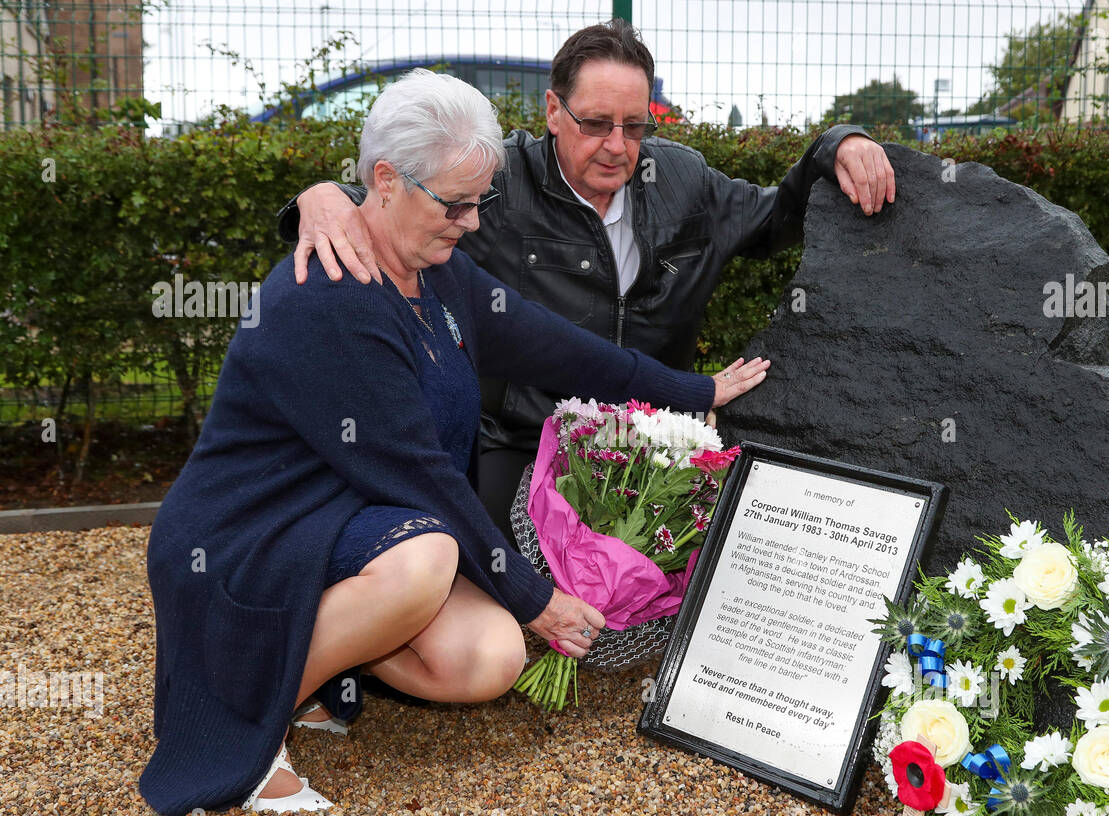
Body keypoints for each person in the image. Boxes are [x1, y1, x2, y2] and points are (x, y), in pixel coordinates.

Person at [140, 69, 767, 816]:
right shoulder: (333, 299)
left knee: (489, 658)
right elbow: (423, 479)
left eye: (481, 202)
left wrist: (692, 392)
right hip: (253, 531)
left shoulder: (435, 269)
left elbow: (553, 346)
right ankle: (237, 717)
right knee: (428, 556)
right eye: (456, 202)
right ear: (385, 180)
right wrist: (540, 600)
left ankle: (306, 677)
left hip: (345, 518)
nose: (471, 221)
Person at [278, 18, 895, 535]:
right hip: (525, 445)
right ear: (553, 110)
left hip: (660, 437)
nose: (617, 146)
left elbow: (776, 219)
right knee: (490, 572)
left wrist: (835, 145)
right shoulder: (501, 182)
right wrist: (321, 195)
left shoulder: (684, 183)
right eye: (596, 123)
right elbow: (390, 203)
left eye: (636, 124)